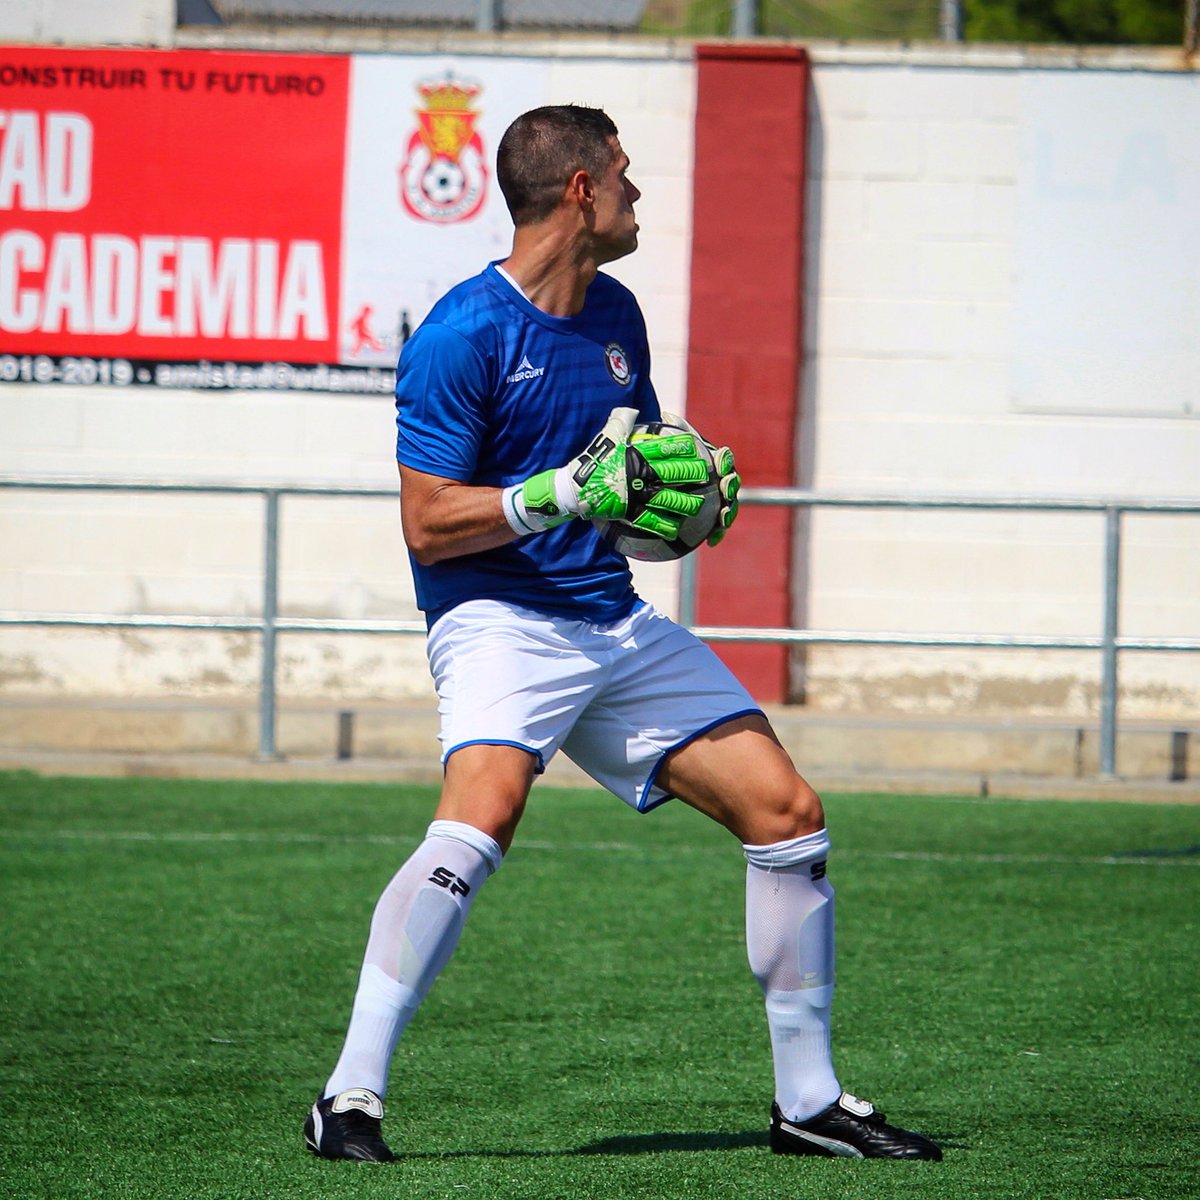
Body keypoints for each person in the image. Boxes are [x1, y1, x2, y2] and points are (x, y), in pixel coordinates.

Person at [303, 104, 942, 1164]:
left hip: (610, 616)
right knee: (484, 815)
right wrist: (558, 489)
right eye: (626, 177)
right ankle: (350, 1097)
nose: (641, 196)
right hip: (497, 620)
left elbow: (621, 499)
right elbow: (430, 523)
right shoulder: (463, 334)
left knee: (787, 811)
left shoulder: (620, 317)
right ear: (580, 192)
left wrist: (683, 510)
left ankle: (809, 1102)